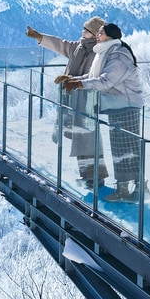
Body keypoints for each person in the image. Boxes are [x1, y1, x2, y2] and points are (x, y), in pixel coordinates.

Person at [62, 23, 146, 203]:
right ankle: (123, 188)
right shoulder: (105, 52)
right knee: (119, 149)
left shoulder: (119, 56)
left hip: (127, 105)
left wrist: (79, 84)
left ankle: (140, 188)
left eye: (100, 32)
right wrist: (72, 79)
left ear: (109, 36)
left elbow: (106, 81)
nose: (97, 35)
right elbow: (94, 76)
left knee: (130, 148)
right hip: (116, 106)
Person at [25, 17, 107, 186]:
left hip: (87, 101)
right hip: (74, 99)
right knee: (80, 138)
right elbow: (60, 44)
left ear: (93, 34)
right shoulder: (80, 47)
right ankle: (87, 177)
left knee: (88, 139)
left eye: (85, 30)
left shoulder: (98, 53)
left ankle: (95, 178)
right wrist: (40, 37)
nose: (82, 32)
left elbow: (93, 77)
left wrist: (72, 80)